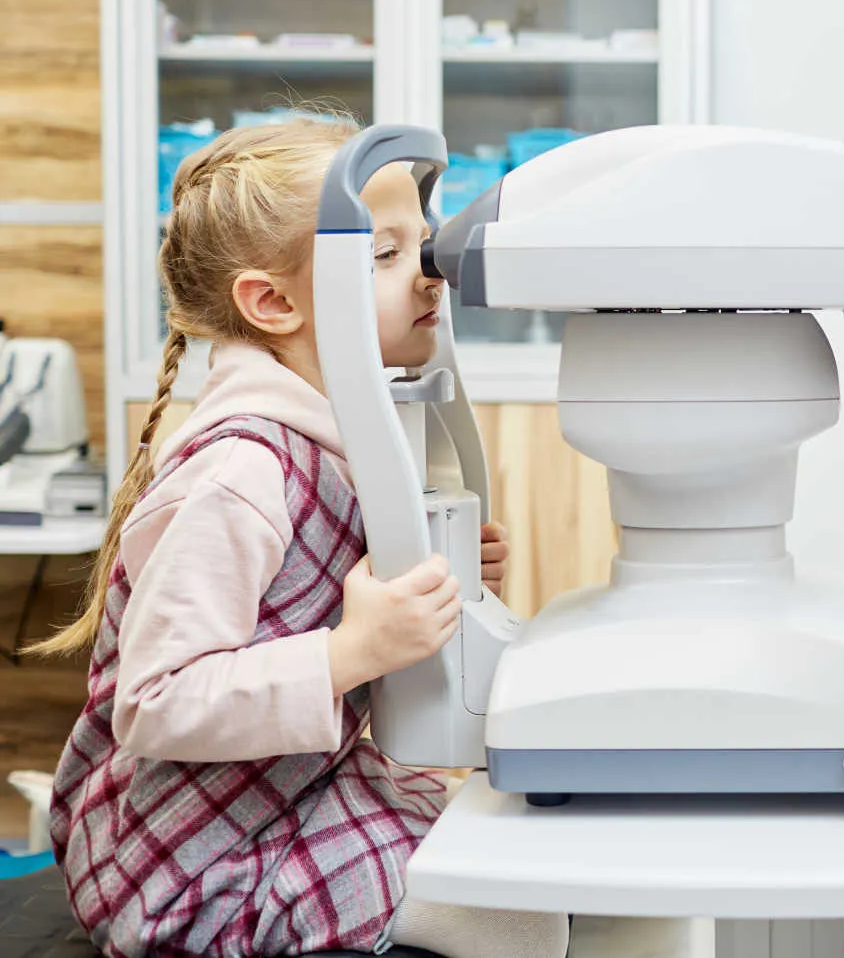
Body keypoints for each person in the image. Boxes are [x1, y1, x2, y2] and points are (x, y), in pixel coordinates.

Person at [35, 119, 567, 958]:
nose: (429, 271)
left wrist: (436, 572)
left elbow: (309, 591)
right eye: (385, 254)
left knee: (519, 858)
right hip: (190, 856)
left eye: (421, 242)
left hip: (292, 787)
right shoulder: (240, 471)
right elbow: (157, 700)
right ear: (275, 303)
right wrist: (352, 650)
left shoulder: (343, 433)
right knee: (519, 917)